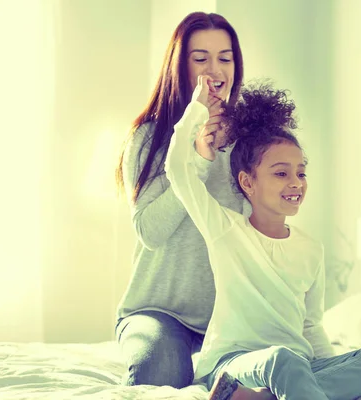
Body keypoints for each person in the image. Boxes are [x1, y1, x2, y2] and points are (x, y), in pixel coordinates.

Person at [165, 77, 361, 400]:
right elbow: (178, 170)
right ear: (248, 182)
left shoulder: (310, 249)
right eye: (281, 173)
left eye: (301, 172)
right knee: (282, 359)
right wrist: (197, 110)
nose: (296, 183)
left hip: (296, 365)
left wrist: (330, 367)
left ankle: (260, 398)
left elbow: (310, 325)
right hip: (233, 363)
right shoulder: (225, 230)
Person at [114, 12, 250, 388]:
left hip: (230, 316)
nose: (215, 70)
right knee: (161, 375)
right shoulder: (148, 137)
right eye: (200, 58)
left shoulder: (250, 139)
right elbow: (150, 232)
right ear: (179, 64)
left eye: (225, 58)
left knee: (277, 375)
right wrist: (197, 163)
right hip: (158, 312)